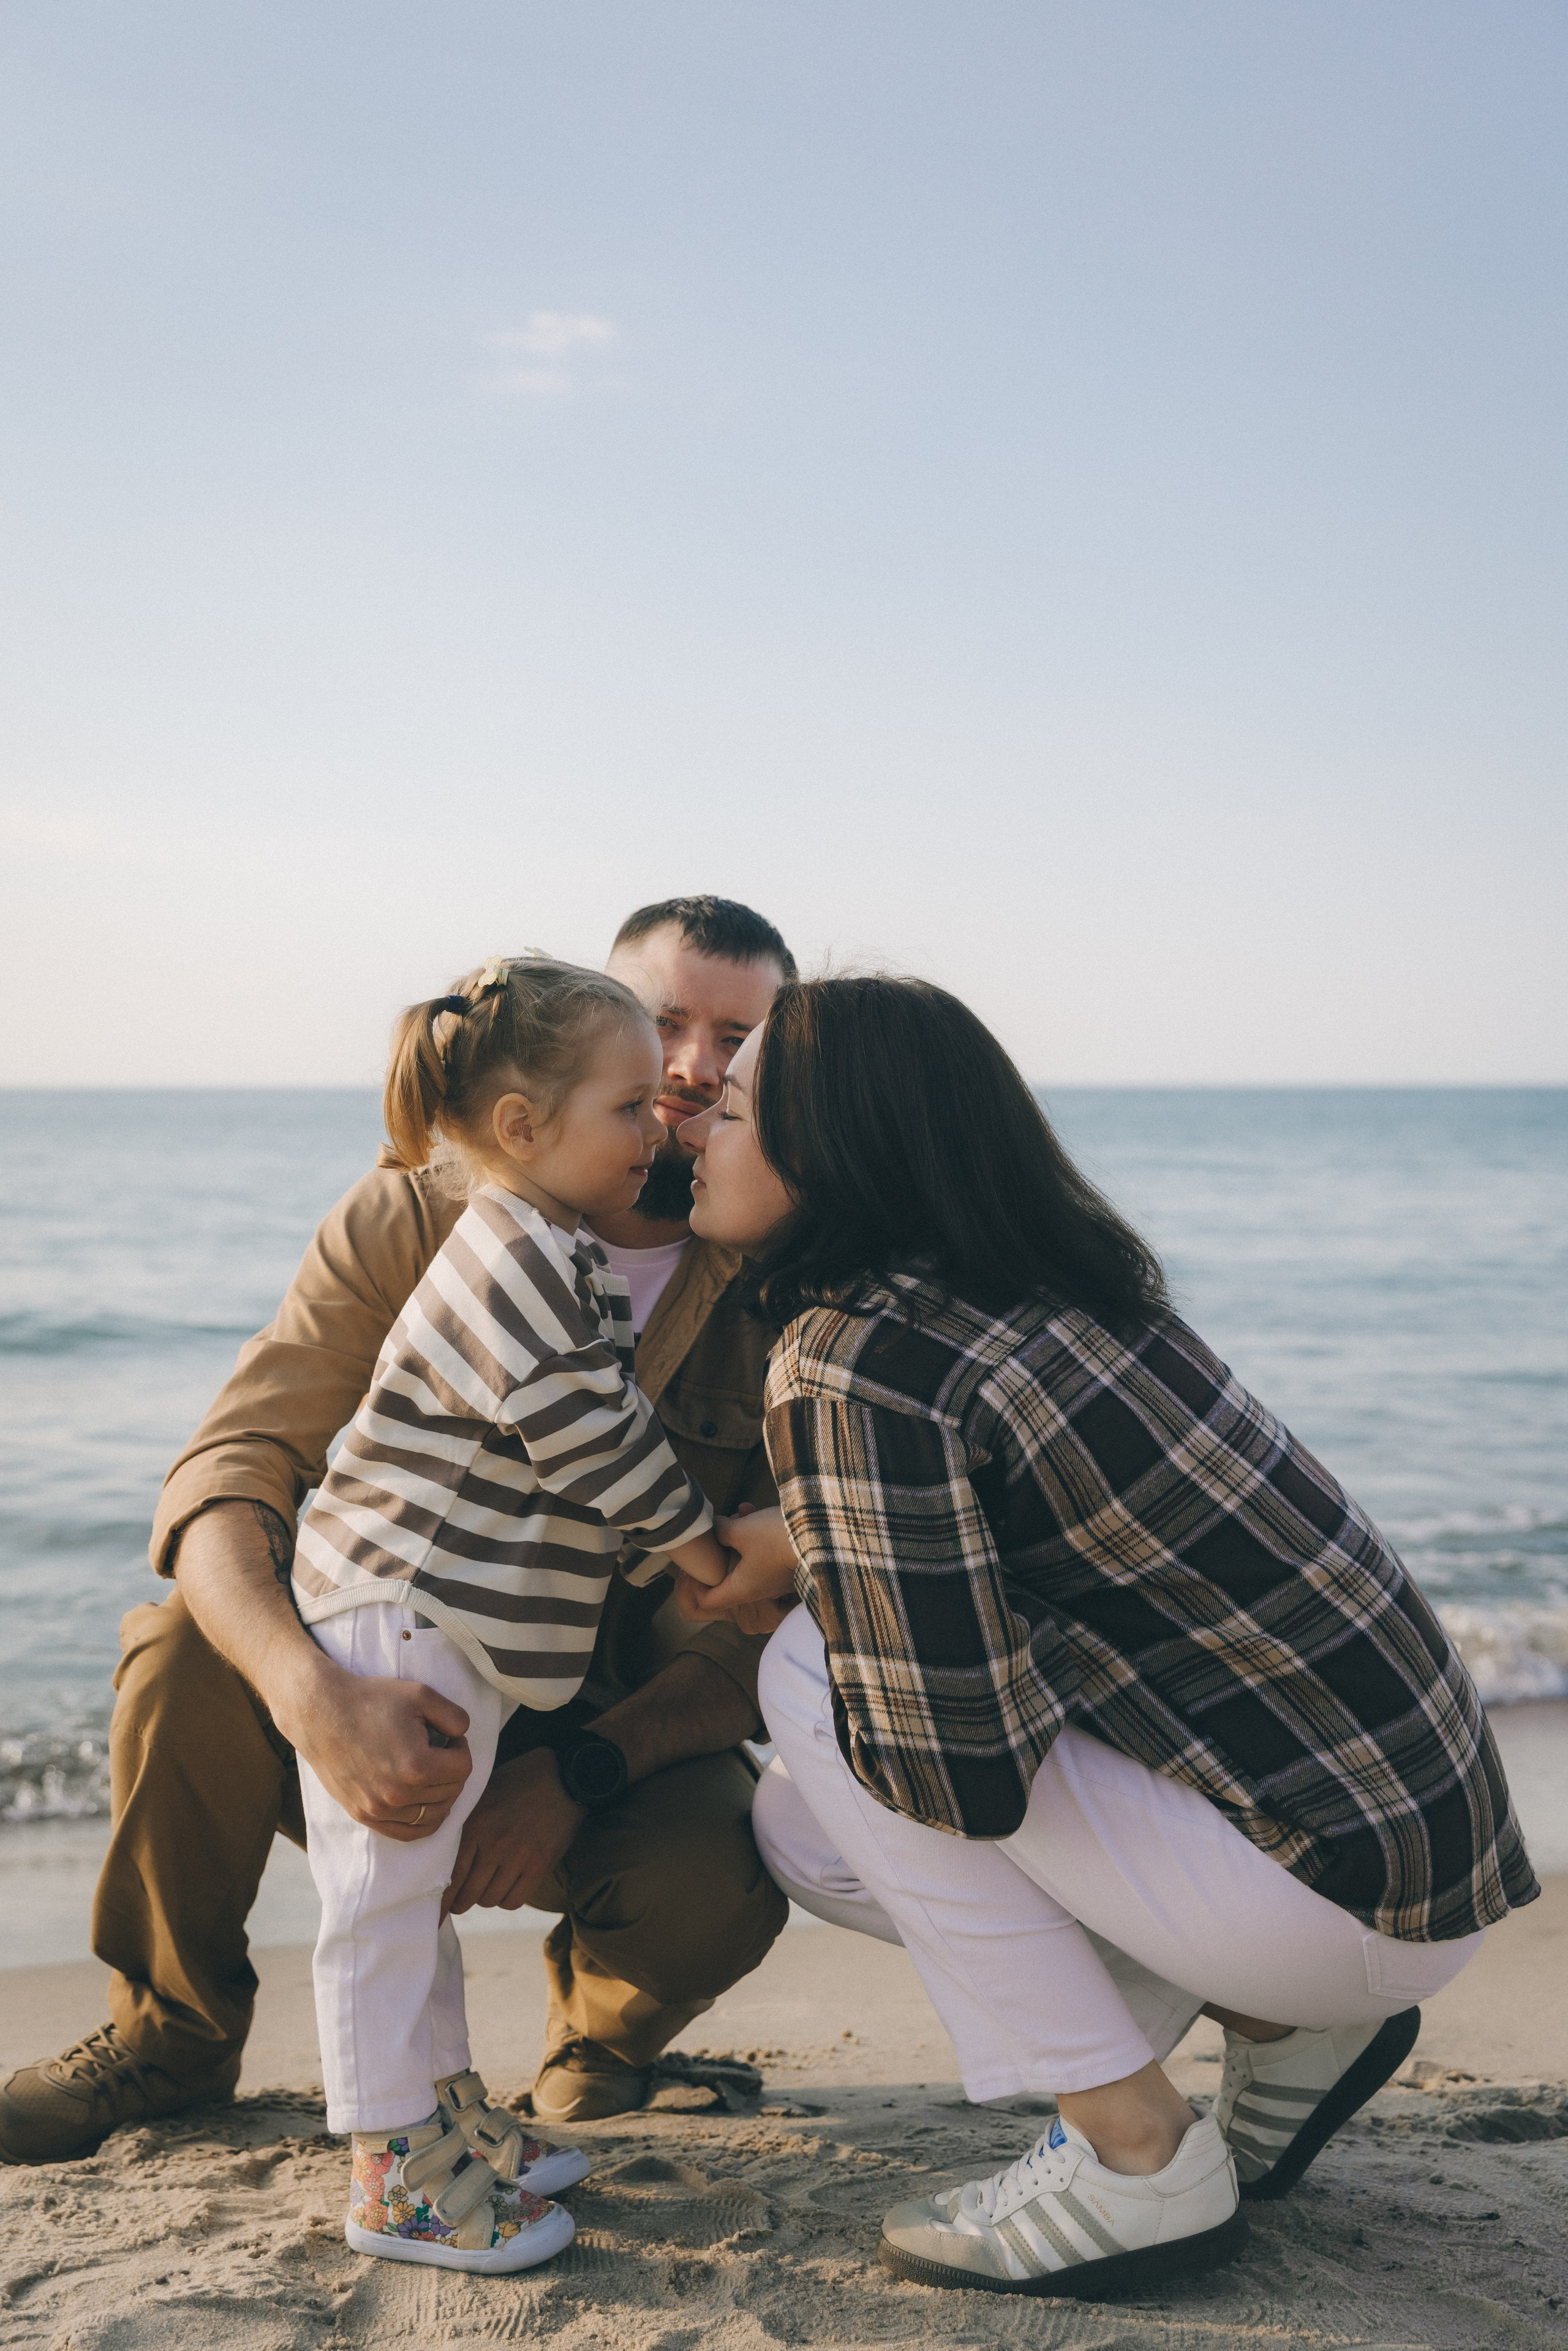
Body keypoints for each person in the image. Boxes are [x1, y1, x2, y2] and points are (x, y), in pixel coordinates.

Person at [676, 976, 1538, 2301]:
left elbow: (955, 1777)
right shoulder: (1058, 1286)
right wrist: (821, 1534)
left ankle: (1131, 2154)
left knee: (807, 1671)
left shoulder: (852, 1356)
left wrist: (823, 1586)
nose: (693, 1131)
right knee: (804, 1826)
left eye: (728, 1108)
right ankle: (1277, 2026)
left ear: (822, 1150)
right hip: (1423, 1848)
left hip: (1324, 1890)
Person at [0, 897, 795, 2168]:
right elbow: (232, 1470)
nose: (693, 1066)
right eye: (662, 1024)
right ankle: (177, 2042)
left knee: (727, 1847)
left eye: (735, 1035)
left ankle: (591, 2057)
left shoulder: (782, 1281)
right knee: (181, 1653)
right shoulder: (421, 1219)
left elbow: (761, 1624)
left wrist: (573, 1769)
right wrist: (307, 1688)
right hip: (396, 1644)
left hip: (581, 1706)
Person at [296, 952, 733, 2273]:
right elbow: (591, 1432)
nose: (659, 1123)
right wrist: (700, 1550)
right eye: (627, 1104)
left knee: (410, 1894)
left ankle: (434, 2113)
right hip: (398, 1606)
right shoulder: (510, 1252)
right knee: (380, 1898)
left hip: (448, 1615)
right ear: (523, 1127)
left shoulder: (550, 1243)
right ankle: (390, 2170)